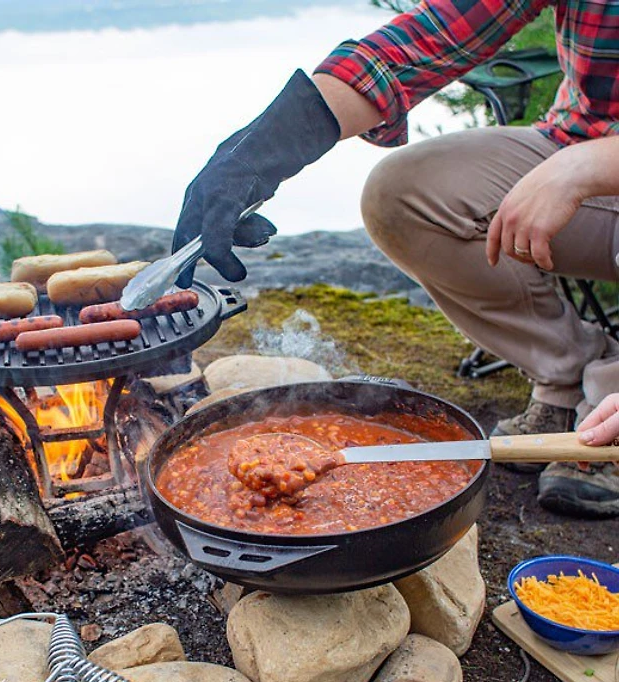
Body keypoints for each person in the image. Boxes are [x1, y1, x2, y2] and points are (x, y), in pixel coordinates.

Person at [172, 0, 619, 518]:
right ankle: (569, 377)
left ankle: (608, 413)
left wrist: (591, 165)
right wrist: (264, 149)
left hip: (588, 161)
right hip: (576, 141)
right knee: (400, 193)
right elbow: (430, 37)